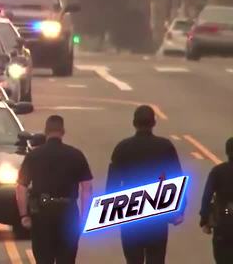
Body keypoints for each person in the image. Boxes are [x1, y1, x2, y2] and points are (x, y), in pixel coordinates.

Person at [107, 105, 184, 264]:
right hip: (156, 210)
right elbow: (176, 178)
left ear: (134, 123)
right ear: (153, 123)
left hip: (130, 210)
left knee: (133, 259)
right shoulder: (165, 146)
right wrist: (179, 210)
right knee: (156, 258)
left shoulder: (122, 148)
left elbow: (113, 184)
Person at [16, 115, 93, 264]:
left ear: (46, 131)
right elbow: (87, 188)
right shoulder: (75, 155)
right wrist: (84, 217)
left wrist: (24, 215)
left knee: (44, 258)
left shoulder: (34, 155)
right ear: (62, 131)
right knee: (67, 258)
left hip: (42, 214)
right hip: (68, 212)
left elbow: (21, 187)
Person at [200, 137, 233, 263]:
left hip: (223, 226)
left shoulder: (217, 171)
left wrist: (205, 221)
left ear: (227, 152)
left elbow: (207, 197)